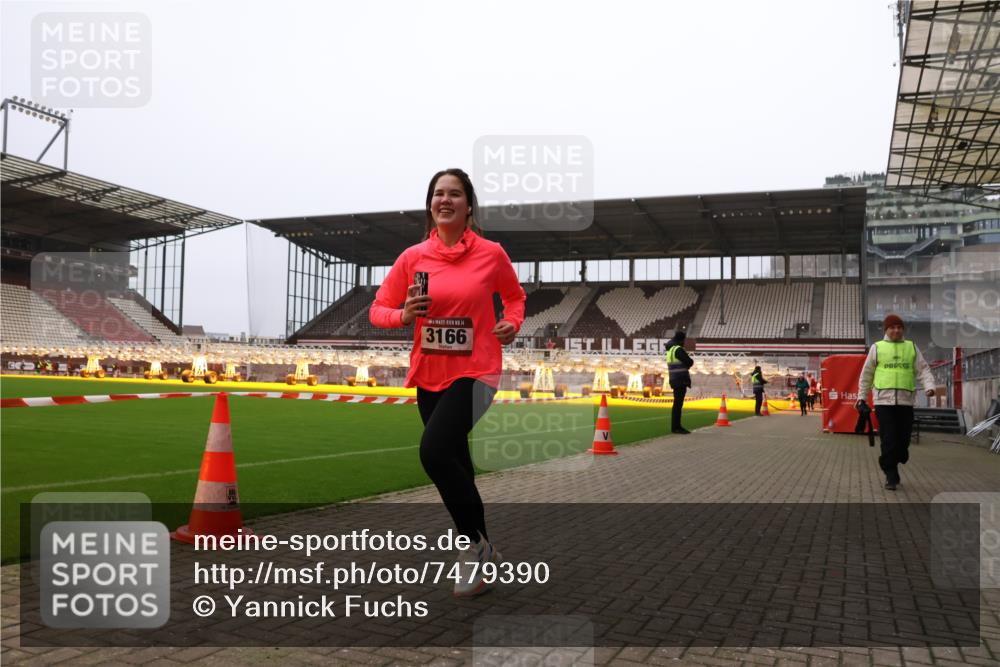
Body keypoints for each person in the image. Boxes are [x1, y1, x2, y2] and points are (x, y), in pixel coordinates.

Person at [369, 168, 526, 596]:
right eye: (438, 193)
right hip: (430, 376)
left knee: (434, 452)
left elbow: (514, 298)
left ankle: (472, 548)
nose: (445, 200)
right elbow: (377, 309)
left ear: (468, 205)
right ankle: (484, 553)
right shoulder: (413, 257)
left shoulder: (492, 254)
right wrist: (402, 315)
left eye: (454, 193)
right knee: (458, 466)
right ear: (430, 204)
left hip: (477, 372)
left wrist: (510, 322)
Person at [857, 313, 935, 491]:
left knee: (903, 440)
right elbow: (866, 374)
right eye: (892, 327)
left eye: (899, 327)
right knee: (889, 439)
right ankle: (890, 474)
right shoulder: (877, 347)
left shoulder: (911, 347)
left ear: (903, 330)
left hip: (906, 402)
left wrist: (929, 385)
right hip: (883, 402)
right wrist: (861, 398)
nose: (896, 330)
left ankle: (898, 456)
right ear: (886, 330)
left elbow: (923, 370)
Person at [665, 330, 694, 434]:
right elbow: (690, 362)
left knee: (676, 404)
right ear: (681, 339)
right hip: (680, 379)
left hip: (674, 379)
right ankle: (677, 427)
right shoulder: (678, 349)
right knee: (678, 404)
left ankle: (675, 426)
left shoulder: (670, 350)